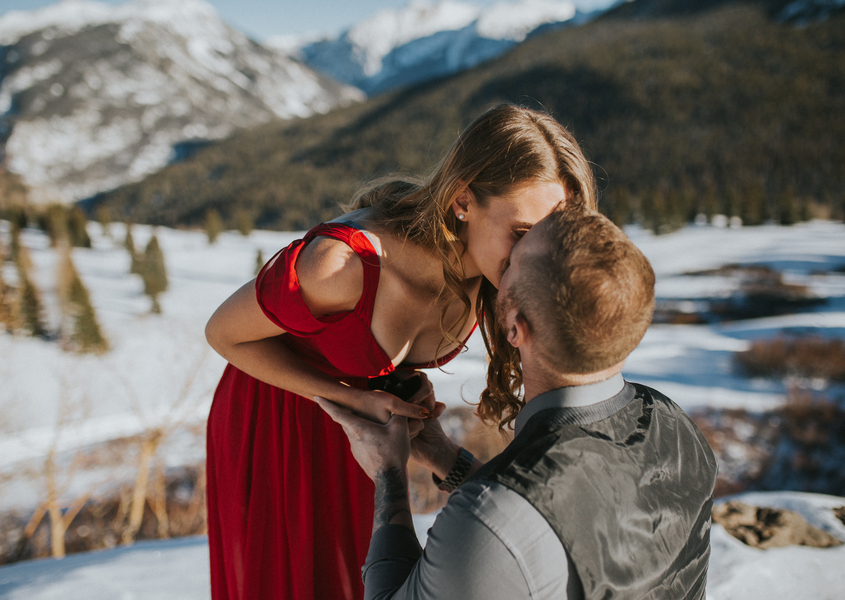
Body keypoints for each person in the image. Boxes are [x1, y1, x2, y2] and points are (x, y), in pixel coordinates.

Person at [203, 103, 599, 600]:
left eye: (550, 235)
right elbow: (223, 333)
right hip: (278, 422)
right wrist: (344, 398)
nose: (534, 254)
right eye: (520, 233)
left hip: (366, 439)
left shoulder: (490, 273)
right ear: (462, 202)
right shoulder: (341, 266)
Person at [316, 205, 718, 599]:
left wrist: (389, 475)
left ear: (515, 328)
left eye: (511, 265)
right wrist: (443, 455)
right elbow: (559, 515)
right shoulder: (676, 425)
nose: (498, 270)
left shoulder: (492, 523)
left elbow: (513, 527)